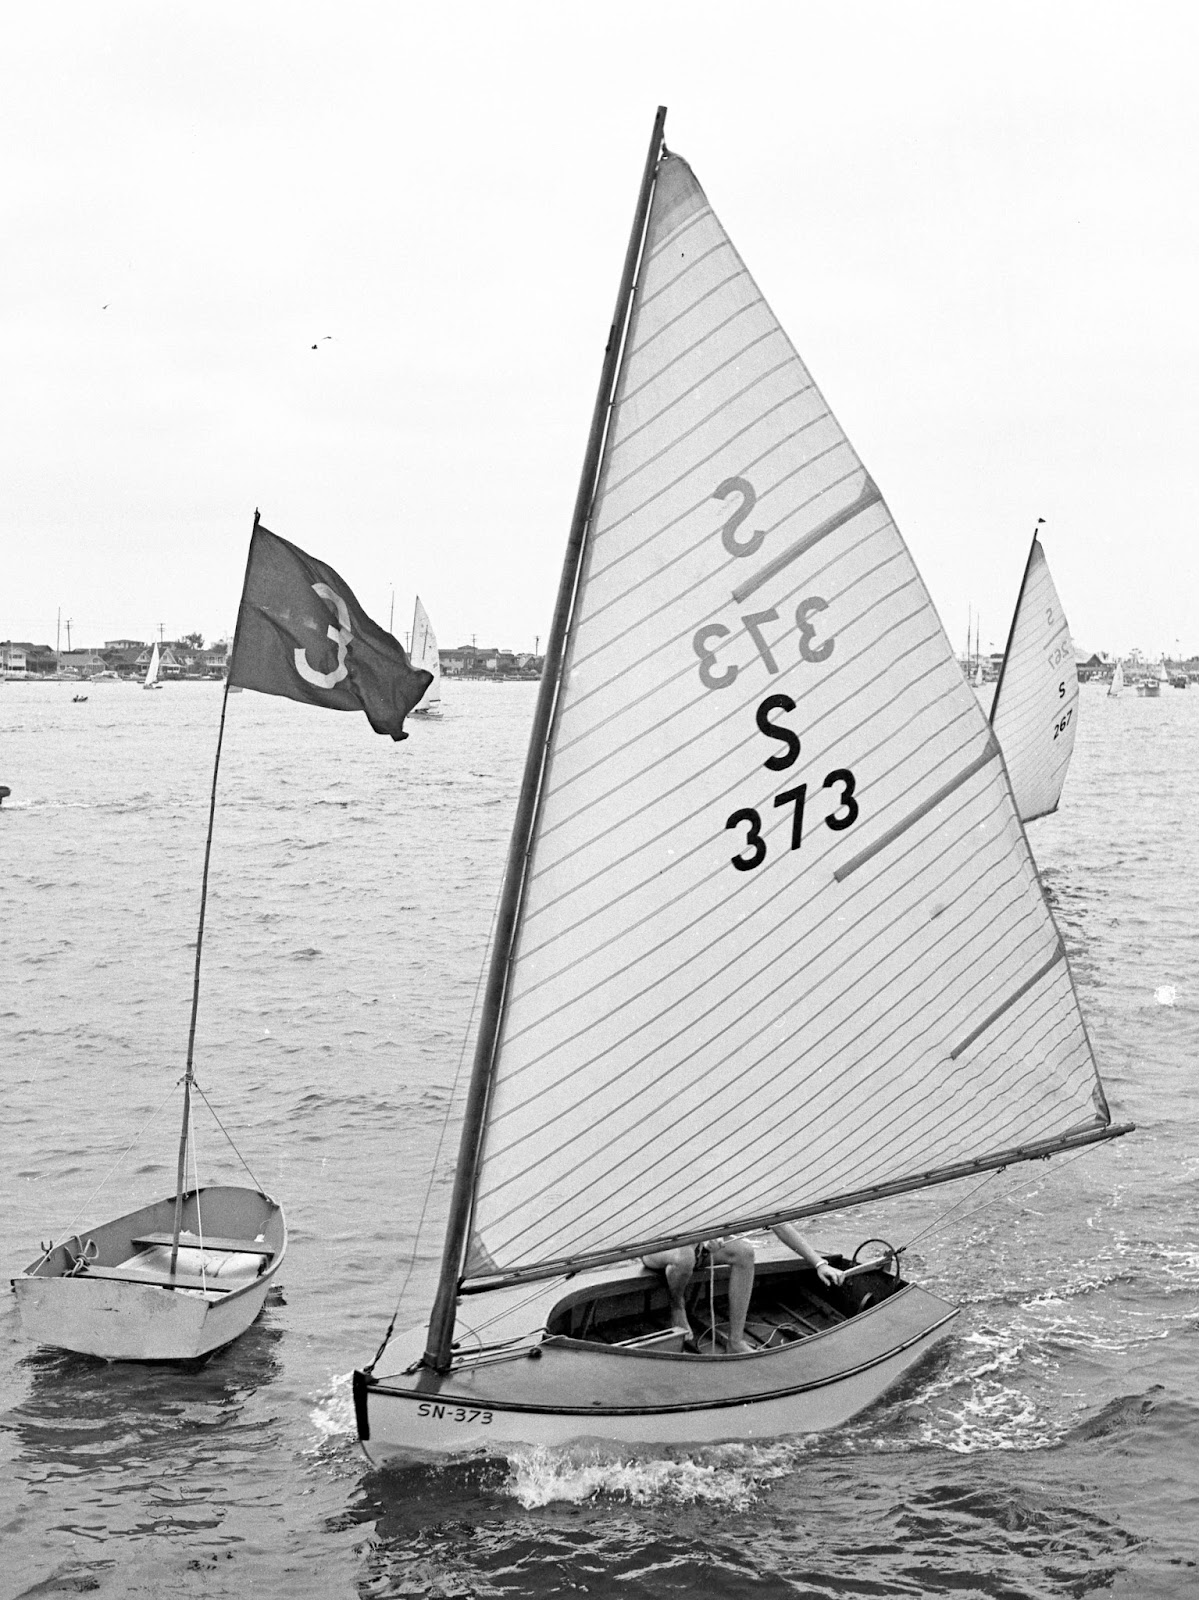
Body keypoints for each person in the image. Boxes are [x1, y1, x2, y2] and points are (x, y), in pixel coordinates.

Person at [642, 1224, 845, 1355]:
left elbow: (780, 1223)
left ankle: (735, 1341)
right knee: (685, 1256)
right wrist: (703, 1237)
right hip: (660, 1245)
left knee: (744, 1253)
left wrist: (819, 1264)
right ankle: (677, 1306)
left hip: (702, 1250)